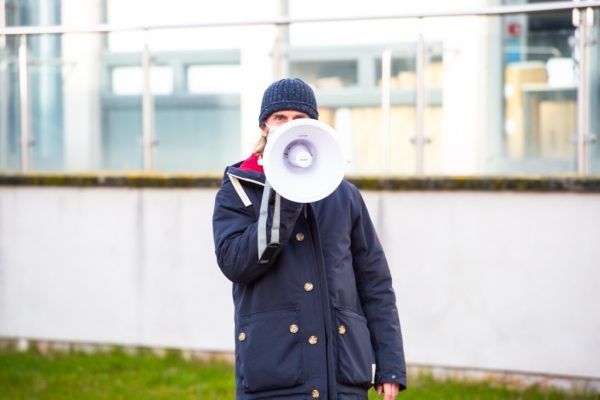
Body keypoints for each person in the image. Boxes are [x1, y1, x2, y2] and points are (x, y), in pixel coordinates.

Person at [212, 78, 406, 400]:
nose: (289, 126)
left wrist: (389, 364)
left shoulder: (344, 195)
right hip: (275, 378)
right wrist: (284, 196)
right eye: (280, 119)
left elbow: (375, 282)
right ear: (264, 127)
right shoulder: (238, 190)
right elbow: (235, 264)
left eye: (299, 120)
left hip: (341, 378)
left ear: (314, 126)